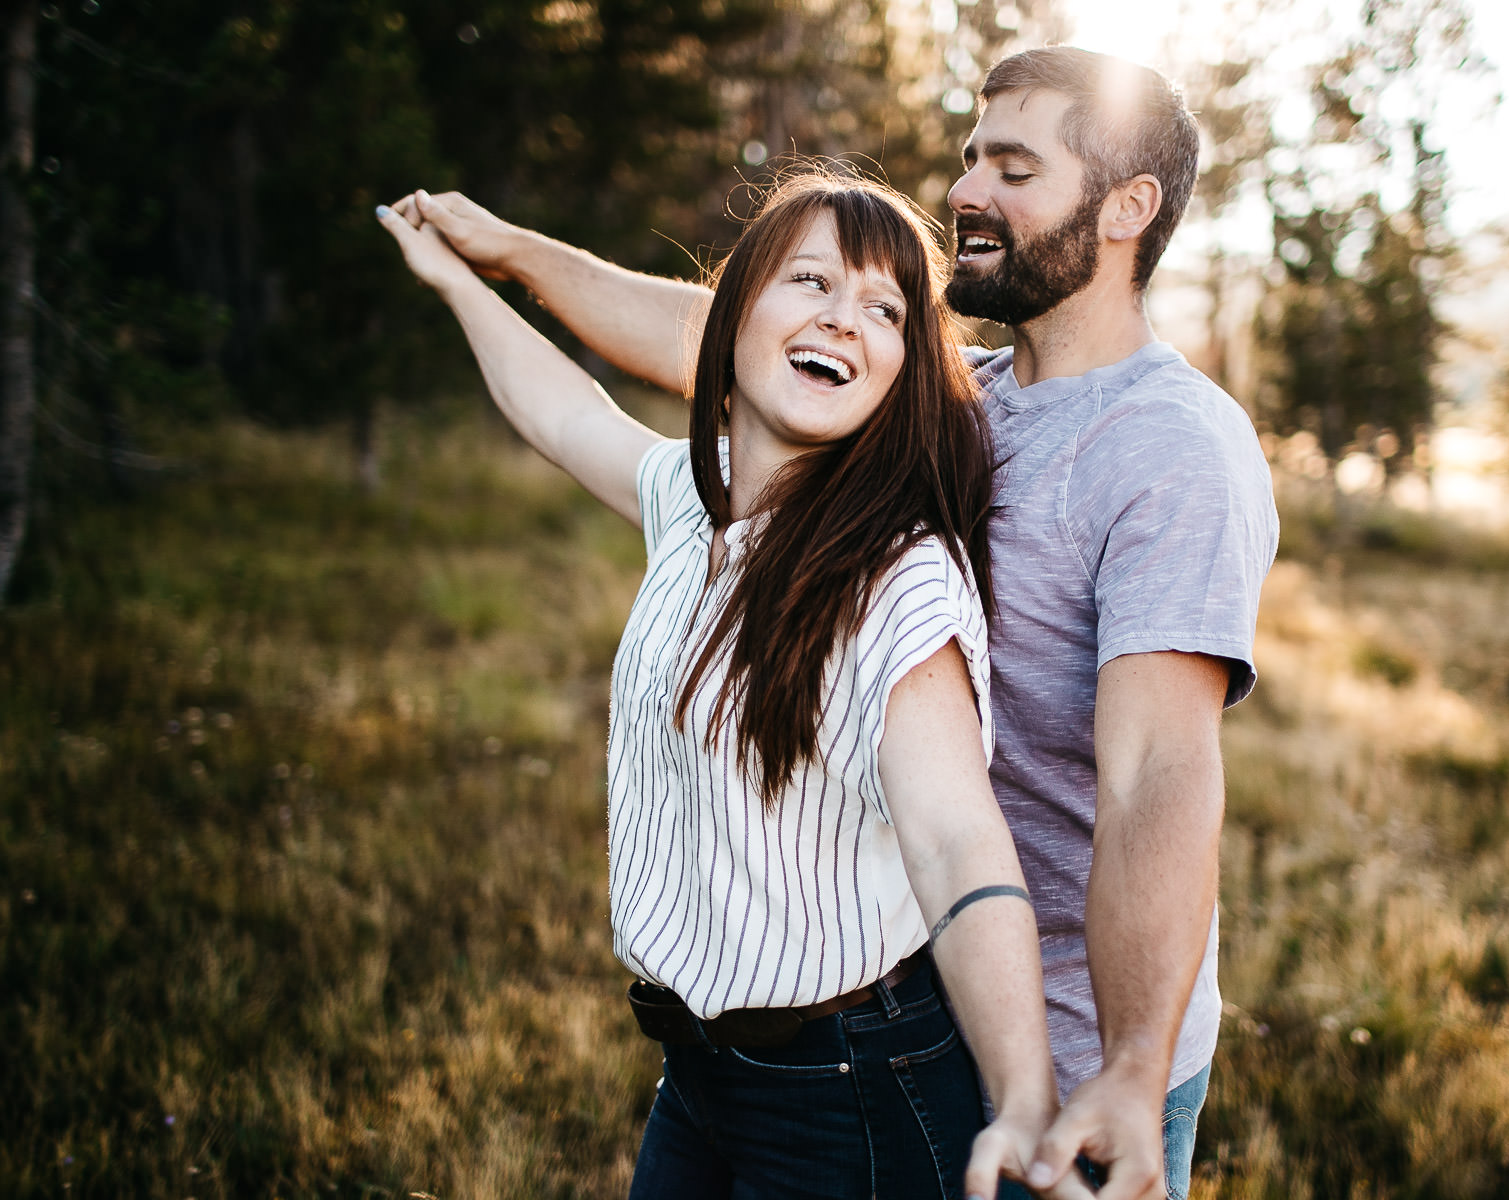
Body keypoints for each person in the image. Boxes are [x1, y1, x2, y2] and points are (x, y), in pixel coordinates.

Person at [389, 46, 1279, 1200]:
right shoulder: (966, 396)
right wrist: (505, 254)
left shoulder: (1171, 446)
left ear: (1128, 207)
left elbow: (1160, 771)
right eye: (971, 158)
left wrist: (1129, 1068)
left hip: (1073, 1051)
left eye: (1014, 169)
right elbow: (732, 336)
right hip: (908, 1006)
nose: (966, 190)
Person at [376, 171, 1085, 1200]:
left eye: (885, 309)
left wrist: (1022, 1095)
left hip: (851, 1093)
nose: (843, 320)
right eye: (812, 281)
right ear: (734, 313)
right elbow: (565, 414)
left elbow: (957, 845)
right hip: (701, 1075)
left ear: (900, 371)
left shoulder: (895, 578)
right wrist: (456, 279)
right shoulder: (693, 497)